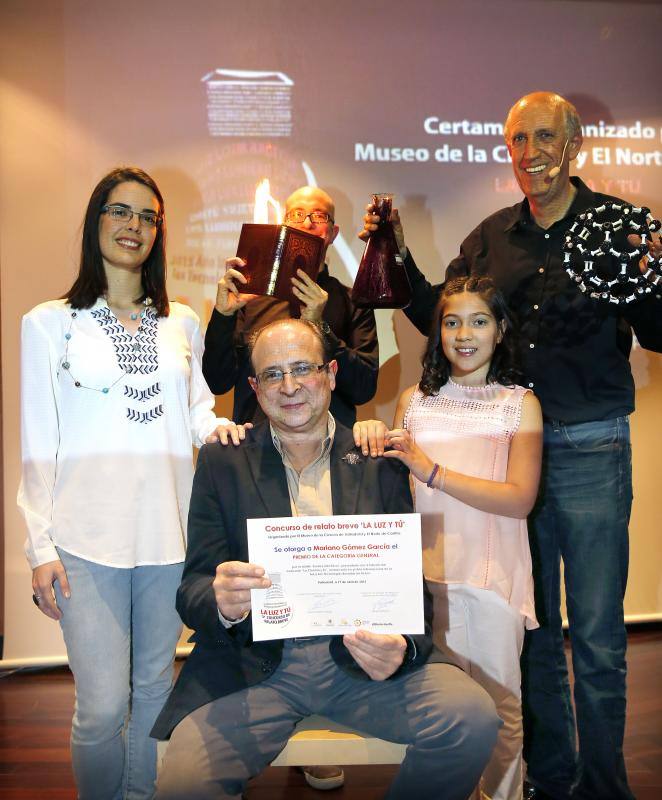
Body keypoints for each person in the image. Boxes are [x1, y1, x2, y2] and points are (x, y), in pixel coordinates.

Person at [359, 91, 662, 800]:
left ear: (576, 143)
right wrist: (394, 252)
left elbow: (659, 331)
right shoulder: (493, 234)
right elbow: (446, 309)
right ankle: (548, 783)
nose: (531, 152)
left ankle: (605, 788)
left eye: (545, 136)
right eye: (518, 140)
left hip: (589, 445)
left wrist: (653, 274)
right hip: (501, 448)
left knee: (593, 638)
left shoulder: (618, 227)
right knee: (533, 634)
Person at [151, 317, 500, 800]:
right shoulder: (222, 461)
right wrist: (220, 601)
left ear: (332, 374)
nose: (290, 386)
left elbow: (407, 587)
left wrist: (402, 645)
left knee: (473, 719)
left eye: (303, 369)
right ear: (254, 387)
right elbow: (192, 591)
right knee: (183, 786)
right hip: (255, 669)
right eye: (273, 374)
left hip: (362, 661)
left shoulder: (375, 456)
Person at [19, 167, 231, 800]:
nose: (133, 226)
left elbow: (196, 413)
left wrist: (238, 431)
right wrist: (40, 548)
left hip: (169, 537)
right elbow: (37, 444)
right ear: (95, 221)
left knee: (156, 694)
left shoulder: (182, 322)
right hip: (85, 541)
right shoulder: (49, 322)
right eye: (120, 212)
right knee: (103, 707)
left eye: (146, 217)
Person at [355, 275, 542, 800]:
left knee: (501, 709)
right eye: (452, 321)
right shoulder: (414, 400)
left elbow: (519, 498)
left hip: (489, 578)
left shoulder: (519, 403)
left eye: (479, 321)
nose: (464, 333)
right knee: (441, 711)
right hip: (422, 581)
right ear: (438, 331)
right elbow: (394, 490)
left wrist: (432, 470)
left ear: (500, 330)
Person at [202, 185, 379, 429]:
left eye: (318, 216)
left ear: (332, 233)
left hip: (331, 447)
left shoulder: (353, 301)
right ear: (283, 226)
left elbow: (364, 389)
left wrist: (321, 327)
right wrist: (223, 315)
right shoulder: (250, 296)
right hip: (257, 447)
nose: (307, 223)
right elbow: (217, 381)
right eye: (297, 215)